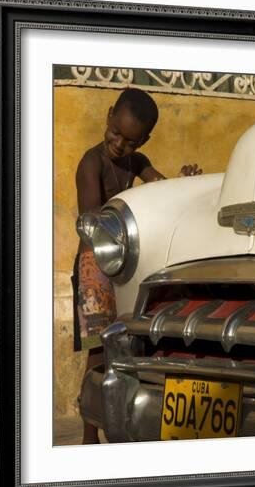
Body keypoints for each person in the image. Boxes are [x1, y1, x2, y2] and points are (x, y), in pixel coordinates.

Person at [73, 88, 201, 444]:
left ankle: (119, 420)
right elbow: (92, 221)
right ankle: (88, 432)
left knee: (122, 342)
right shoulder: (91, 163)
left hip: (122, 264)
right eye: (116, 134)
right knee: (97, 350)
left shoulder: (137, 161)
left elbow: (159, 188)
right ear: (109, 115)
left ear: (143, 139)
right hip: (95, 265)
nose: (119, 145)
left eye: (129, 142)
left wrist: (182, 180)